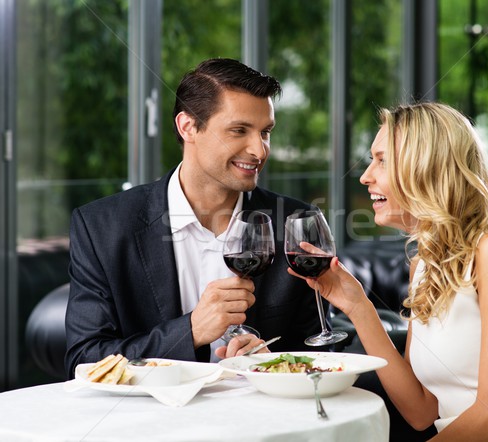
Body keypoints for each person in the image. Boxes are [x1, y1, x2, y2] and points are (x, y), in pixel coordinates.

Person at [289, 102, 488, 441]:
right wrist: (357, 304)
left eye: (382, 160)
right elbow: (421, 411)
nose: (365, 176)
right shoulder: (425, 263)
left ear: (426, 166)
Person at [65, 58, 323, 378]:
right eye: (239, 130)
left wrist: (274, 363)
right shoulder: (100, 227)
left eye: (266, 132)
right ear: (188, 127)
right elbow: (84, 359)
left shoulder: (297, 222)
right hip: (149, 421)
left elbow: (322, 349)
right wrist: (191, 331)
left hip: (260, 419)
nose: (259, 150)